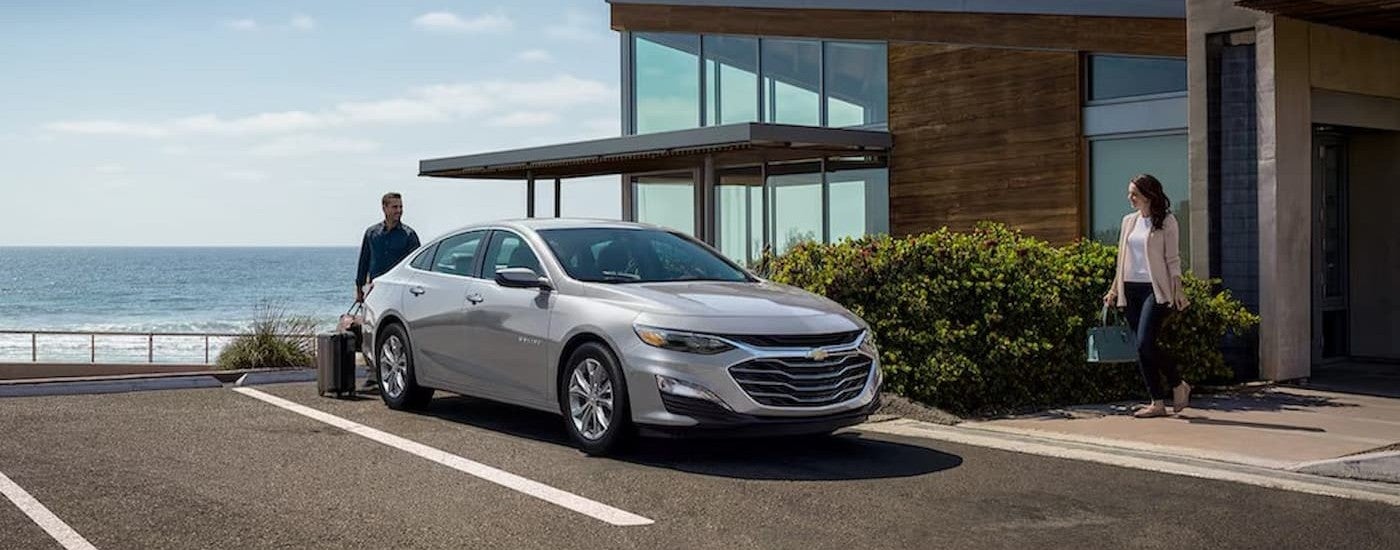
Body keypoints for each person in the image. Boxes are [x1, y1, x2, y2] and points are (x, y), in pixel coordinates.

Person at [1103, 174, 1191, 418]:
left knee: (1145, 342)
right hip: (1130, 289)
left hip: (1155, 290)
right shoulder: (1128, 222)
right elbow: (1121, 260)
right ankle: (1157, 402)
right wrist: (1113, 290)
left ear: (1149, 196)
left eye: (1135, 194)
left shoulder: (1167, 221)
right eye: (1130, 193)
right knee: (1142, 349)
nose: (1130, 198)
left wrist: (1178, 289)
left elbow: (1173, 260)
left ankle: (1178, 383)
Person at [355, 192, 420, 391]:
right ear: (384, 208)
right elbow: (364, 261)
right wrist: (359, 288)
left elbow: (417, 265)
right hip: (375, 290)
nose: (399, 211)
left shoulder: (409, 235)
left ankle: (398, 373)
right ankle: (373, 374)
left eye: (400, 207)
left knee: (393, 332)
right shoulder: (371, 233)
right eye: (394, 207)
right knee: (369, 332)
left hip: (398, 291)